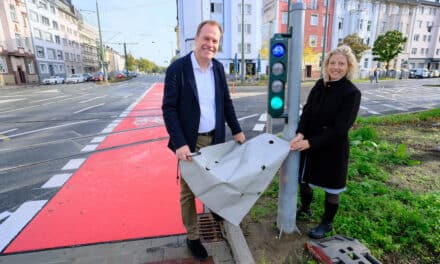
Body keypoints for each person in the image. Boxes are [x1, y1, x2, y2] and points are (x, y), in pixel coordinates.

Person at [162, 20, 245, 260]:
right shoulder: (178, 69)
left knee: (216, 180)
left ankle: (216, 210)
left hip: (216, 139)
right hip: (190, 143)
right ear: (196, 39)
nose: (210, 44)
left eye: (215, 40)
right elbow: (169, 109)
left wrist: (237, 130)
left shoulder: (218, 68)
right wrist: (179, 143)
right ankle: (193, 236)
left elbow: (226, 103)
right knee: (189, 192)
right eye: (206, 38)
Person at [290, 45, 361, 239]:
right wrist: (300, 133)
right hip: (310, 143)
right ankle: (305, 208)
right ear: (327, 64)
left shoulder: (351, 93)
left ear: (348, 67)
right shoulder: (319, 85)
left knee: (332, 188)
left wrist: (310, 142)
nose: (336, 67)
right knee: (304, 181)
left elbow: (340, 129)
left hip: (332, 148)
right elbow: (307, 111)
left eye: (341, 63)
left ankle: (327, 223)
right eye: (333, 62)